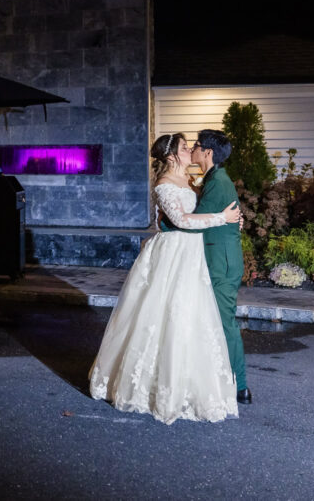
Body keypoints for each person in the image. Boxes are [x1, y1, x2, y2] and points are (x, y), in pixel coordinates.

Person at [88, 132, 241, 424]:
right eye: (185, 148)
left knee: (190, 316)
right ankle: (152, 387)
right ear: (171, 156)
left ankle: (188, 381)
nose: (190, 151)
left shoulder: (191, 182)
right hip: (172, 255)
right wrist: (223, 218)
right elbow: (182, 220)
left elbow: (202, 212)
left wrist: (232, 218)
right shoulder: (164, 185)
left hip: (190, 255)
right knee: (162, 313)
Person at [170, 129, 250, 404]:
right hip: (216, 259)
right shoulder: (213, 179)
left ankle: (240, 386)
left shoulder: (218, 181)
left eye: (196, 146)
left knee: (224, 323)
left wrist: (169, 221)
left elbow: (197, 221)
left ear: (207, 153)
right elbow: (217, 216)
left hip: (222, 263)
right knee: (214, 321)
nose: (192, 150)